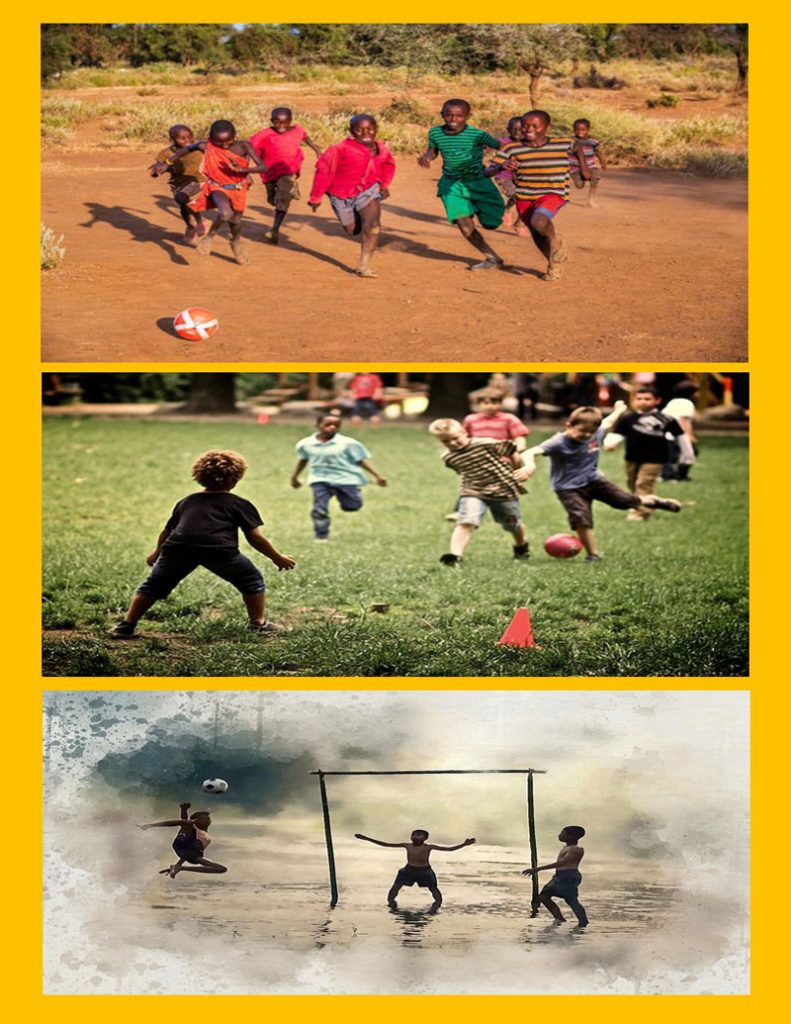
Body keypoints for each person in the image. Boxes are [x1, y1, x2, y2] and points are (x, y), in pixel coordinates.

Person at [109, 450, 295, 638]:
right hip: (219, 551)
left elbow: (167, 531)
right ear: (235, 479)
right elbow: (255, 537)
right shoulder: (238, 503)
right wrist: (277, 557)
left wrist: (157, 552)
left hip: (177, 548)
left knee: (153, 586)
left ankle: (126, 625)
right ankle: (258, 623)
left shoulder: (187, 501)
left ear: (199, 477)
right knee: (251, 580)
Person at [521, 403, 682, 561]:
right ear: (568, 425)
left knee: (625, 502)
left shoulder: (596, 432)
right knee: (580, 518)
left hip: (595, 480)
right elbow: (531, 451)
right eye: (582, 431)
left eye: (591, 432)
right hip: (568, 488)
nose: (586, 435)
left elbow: (608, 421)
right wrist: (529, 465)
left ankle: (654, 502)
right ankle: (594, 554)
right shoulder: (558, 442)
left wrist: (619, 410)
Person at [150, 120, 267, 265]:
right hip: (217, 186)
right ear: (211, 138)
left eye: (229, 141)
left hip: (237, 188)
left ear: (235, 136)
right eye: (219, 142)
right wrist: (166, 163)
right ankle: (209, 237)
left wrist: (243, 170)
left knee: (235, 222)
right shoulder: (206, 146)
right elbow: (187, 149)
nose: (224, 145)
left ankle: (236, 242)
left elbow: (263, 167)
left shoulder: (244, 146)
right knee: (225, 213)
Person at [485, 110, 578, 280]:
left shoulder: (563, 144)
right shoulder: (511, 148)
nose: (529, 129)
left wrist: (582, 172)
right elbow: (487, 172)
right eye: (526, 126)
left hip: (553, 192)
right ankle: (553, 263)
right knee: (535, 231)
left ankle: (556, 243)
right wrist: (502, 165)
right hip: (525, 195)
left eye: (535, 126)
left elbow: (579, 151)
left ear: (546, 127)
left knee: (539, 222)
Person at [417, 99, 506, 270]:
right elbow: (433, 150)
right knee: (463, 222)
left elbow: (503, 147)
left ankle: (476, 207)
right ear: (442, 114)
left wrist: (501, 166)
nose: (453, 119)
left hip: (479, 181)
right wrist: (427, 156)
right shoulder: (435, 133)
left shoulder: (478, 135)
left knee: (491, 224)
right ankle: (491, 257)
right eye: (449, 114)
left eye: (459, 115)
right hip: (451, 184)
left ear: (468, 116)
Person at [429, 418, 531, 565]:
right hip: (473, 491)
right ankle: (455, 556)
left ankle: (521, 546)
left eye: (455, 438)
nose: (452, 443)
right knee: (467, 521)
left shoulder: (485, 443)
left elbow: (512, 451)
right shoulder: (448, 457)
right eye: (446, 441)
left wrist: (516, 470)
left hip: (503, 490)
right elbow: (462, 471)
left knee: (512, 524)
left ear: (464, 432)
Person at [308, 114, 396, 277]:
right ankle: (357, 220)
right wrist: (316, 197)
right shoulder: (339, 149)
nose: (366, 133)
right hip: (341, 194)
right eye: (359, 130)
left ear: (376, 129)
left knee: (373, 224)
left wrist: (384, 185)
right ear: (351, 131)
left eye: (370, 129)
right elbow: (324, 172)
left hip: (368, 191)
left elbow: (388, 165)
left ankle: (363, 265)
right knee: (352, 230)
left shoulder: (381, 148)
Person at [291, 413, 387, 541]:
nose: (332, 427)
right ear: (318, 425)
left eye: (336, 425)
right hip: (320, 479)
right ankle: (321, 536)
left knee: (352, 506)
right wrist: (294, 477)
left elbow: (360, 460)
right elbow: (303, 460)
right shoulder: (306, 444)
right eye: (328, 424)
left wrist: (378, 476)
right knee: (319, 509)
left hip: (346, 479)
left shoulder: (348, 443)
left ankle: (347, 496)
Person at [604, 385, 689, 520]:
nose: (643, 401)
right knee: (632, 483)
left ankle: (641, 513)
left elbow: (681, 437)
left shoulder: (665, 418)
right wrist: (610, 443)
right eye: (639, 398)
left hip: (655, 458)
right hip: (632, 457)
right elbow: (617, 434)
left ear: (657, 400)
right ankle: (649, 502)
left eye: (647, 399)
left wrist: (687, 456)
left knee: (643, 483)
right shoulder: (628, 418)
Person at [249, 107, 322, 245]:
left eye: (285, 122)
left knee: (283, 197)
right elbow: (248, 148)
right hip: (269, 171)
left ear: (290, 121)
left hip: (288, 169)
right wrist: (245, 169)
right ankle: (288, 191)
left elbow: (306, 137)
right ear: (272, 121)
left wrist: (317, 149)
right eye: (277, 122)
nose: (281, 126)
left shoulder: (297, 130)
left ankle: (275, 230)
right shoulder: (263, 135)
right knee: (273, 200)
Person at [354, 829, 476, 912]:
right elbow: (386, 845)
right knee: (396, 887)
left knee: (433, 889)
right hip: (409, 869)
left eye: (419, 835)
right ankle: (391, 905)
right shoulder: (407, 845)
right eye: (414, 834)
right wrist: (365, 838)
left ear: (425, 838)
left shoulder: (429, 847)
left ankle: (436, 907)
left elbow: (449, 849)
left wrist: (464, 844)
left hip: (425, 871)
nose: (415, 837)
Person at [148, 124, 206, 243]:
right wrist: (158, 170)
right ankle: (190, 226)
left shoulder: (199, 147)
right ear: (172, 139)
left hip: (198, 180)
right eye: (182, 139)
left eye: (190, 137)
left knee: (182, 197)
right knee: (183, 205)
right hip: (178, 184)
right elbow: (157, 172)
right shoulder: (166, 153)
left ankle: (201, 222)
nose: (187, 141)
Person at [138, 801, 227, 878]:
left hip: (190, 853)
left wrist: (178, 865)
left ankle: (182, 868)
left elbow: (189, 853)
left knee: (221, 869)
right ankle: (183, 810)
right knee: (185, 823)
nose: (207, 820)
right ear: (195, 820)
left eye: (208, 818)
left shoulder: (206, 838)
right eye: (204, 819)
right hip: (181, 842)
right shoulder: (191, 826)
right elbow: (175, 823)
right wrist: (151, 825)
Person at [522, 825, 588, 927]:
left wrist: (537, 869)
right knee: (544, 896)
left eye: (563, 833)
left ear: (571, 837)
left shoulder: (575, 849)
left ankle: (583, 922)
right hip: (560, 876)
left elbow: (563, 863)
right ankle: (559, 918)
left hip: (568, 876)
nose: (560, 835)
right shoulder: (567, 848)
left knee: (571, 900)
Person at [495, 116, 529, 235]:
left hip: (523, 177)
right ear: (508, 129)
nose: (517, 132)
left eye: (521, 129)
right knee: (517, 195)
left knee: (527, 199)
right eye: (514, 129)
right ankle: (517, 222)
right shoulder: (502, 143)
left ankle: (518, 220)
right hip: (504, 176)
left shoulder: (529, 143)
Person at [661, 380, 700, 481]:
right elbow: (683, 420)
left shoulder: (673, 401)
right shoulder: (687, 403)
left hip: (665, 432)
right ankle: (677, 475)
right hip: (677, 432)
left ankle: (673, 474)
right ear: (691, 393)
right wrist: (689, 435)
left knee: (669, 455)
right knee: (689, 453)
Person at [569, 119, 605, 208]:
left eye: (583, 130)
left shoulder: (593, 141)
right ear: (573, 130)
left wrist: (602, 161)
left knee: (595, 179)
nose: (580, 132)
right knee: (579, 186)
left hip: (590, 165)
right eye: (577, 130)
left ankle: (591, 200)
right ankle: (582, 180)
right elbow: (566, 153)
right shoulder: (571, 141)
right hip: (575, 168)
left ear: (588, 129)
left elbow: (597, 152)